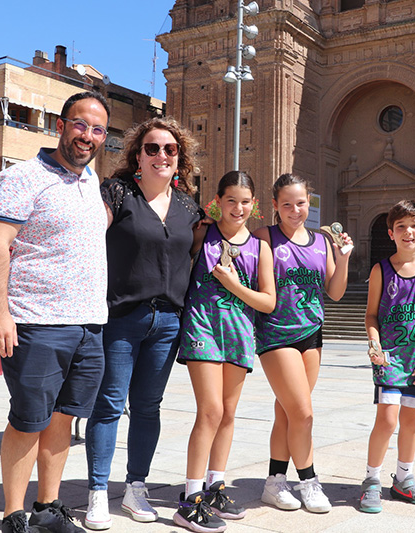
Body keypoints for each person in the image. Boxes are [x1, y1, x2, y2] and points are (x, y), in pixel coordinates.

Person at [0, 91, 111, 533]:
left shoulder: (91, 182)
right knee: (28, 419)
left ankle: (49, 508)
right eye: (80, 124)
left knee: (64, 419)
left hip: (89, 323)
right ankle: (13, 516)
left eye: (98, 129)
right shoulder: (21, 177)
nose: (88, 135)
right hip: (36, 321)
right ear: (61, 125)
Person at [84, 117, 207, 531]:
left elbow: (204, 250)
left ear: (180, 158)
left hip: (169, 321)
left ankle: (136, 486)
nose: (161, 156)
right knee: (109, 406)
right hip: (121, 318)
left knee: (148, 408)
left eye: (170, 150)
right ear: (138, 154)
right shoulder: (116, 193)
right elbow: (87, 232)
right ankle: (98, 492)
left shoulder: (189, 206)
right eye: (152, 148)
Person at [173, 171, 276, 533]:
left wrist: (233, 285)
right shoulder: (203, 232)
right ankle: (190, 499)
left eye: (245, 201)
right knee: (211, 411)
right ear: (217, 201)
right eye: (230, 200)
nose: (238, 208)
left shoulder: (260, 247)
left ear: (254, 204)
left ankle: (215, 488)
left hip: (238, 332)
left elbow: (267, 301)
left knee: (228, 413)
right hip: (202, 326)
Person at [255, 173, 352, 513]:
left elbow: (335, 292)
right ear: (274, 206)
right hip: (276, 333)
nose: (295, 210)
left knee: (287, 413)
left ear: (308, 202)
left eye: (300, 203)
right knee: (304, 414)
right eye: (286, 205)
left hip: (311, 334)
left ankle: (274, 483)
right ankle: (309, 482)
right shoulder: (264, 237)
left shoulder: (320, 241)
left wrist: (344, 258)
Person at [359, 200, 415, 514]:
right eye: (401, 227)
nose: (408, 232)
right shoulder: (381, 269)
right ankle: (371, 480)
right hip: (391, 359)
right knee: (387, 419)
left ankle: (404, 479)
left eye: (414, 226)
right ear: (391, 233)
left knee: (412, 421)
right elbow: (371, 315)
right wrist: (375, 344)